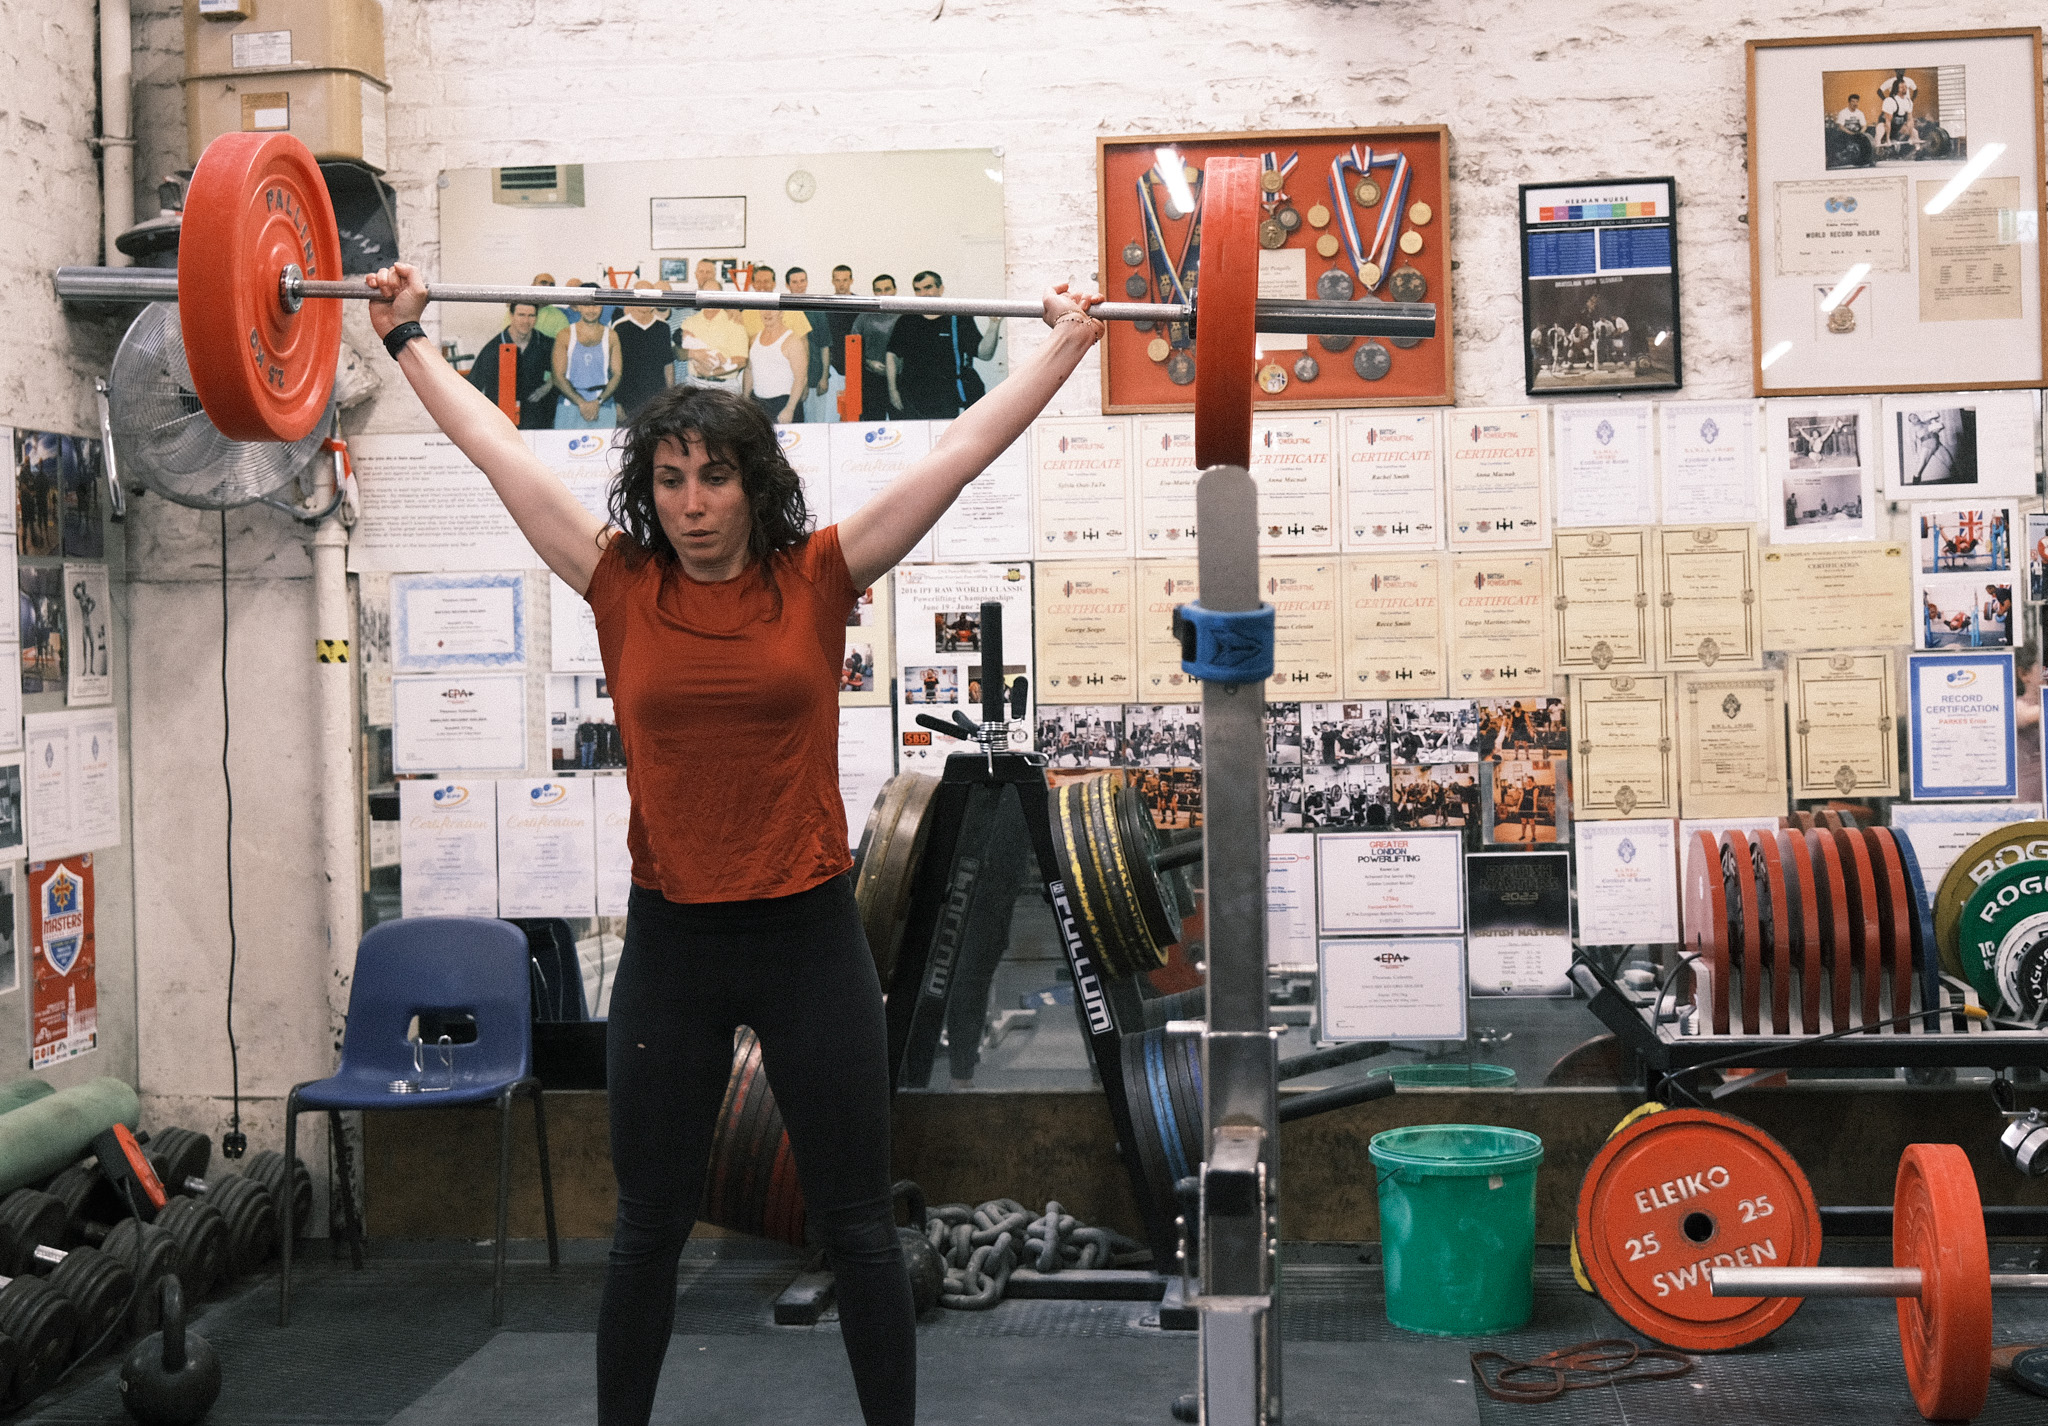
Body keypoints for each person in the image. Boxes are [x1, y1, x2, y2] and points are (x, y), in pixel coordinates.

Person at [361, 258, 1105, 1426]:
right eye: (668, 479)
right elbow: (496, 449)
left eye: (713, 476)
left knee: (857, 1224)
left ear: (754, 485)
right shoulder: (617, 584)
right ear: (646, 491)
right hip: (674, 942)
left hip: (809, 933)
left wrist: (1063, 345)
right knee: (647, 1232)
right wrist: (407, 342)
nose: (692, 501)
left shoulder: (816, 578)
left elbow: (959, 452)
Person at [885, 271, 1002, 419]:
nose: (923, 294)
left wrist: (994, 325)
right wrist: (893, 391)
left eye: (928, 287)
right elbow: (891, 355)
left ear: (941, 289)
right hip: (914, 397)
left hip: (951, 397)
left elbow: (984, 354)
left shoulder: (958, 318)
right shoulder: (907, 320)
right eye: (918, 289)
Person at [466, 300, 559, 429]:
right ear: (511, 316)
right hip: (502, 423)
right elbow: (472, 387)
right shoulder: (492, 349)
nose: (526, 321)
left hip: (538, 422)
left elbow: (565, 370)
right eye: (521, 315)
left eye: (531, 316)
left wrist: (549, 384)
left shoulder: (546, 344)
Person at [551, 283, 623, 429]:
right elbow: (557, 376)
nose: (591, 310)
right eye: (586, 304)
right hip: (570, 405)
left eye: (595, 305)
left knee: (605, 452)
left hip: (603, 405)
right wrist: (582, 403)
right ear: (579, 306)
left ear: (602, 305)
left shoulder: (611, 336)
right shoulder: (564, 335)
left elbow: (617, 374)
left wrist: (598, 401)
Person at [611, 282, 675, 422]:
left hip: (657, 401)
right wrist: (617, 403)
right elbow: (614, 369)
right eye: (641, 295)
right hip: (628, 401)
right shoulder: (619, 327)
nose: (645, 299)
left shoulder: (663, 327)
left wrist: (670, 401)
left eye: (649, 295)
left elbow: (668, 367)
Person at [852, 275, 900, 422]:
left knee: (902, 426)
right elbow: (853, 346)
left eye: (887, 289)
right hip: (873, 380)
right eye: (878, 290)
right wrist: (867, 362)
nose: (883, 293)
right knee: (871, 425)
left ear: (895, 290)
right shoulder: (865, 316)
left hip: (900, 380)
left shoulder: (905, 315)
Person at [745, 308, 806, 424]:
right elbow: (749, 370)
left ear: (781, 313)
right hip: (758, 404)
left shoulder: (793, 341)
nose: (767, 313)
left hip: (784, 405)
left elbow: (801, 379)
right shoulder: (754, 339)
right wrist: (745, 399)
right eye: (764, 309)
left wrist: (790, 409)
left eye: (773, 310)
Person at [814, 264, 859, 421]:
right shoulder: (826, 306)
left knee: (855, 415)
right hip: (833, 370)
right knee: (832, 415)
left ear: (851, 280)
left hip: (857, 369)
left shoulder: (861, 304)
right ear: (832, 281)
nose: (841, 284)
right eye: (838, 280)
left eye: (845, 280)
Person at [531, 272, 572, 340]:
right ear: (532, 286)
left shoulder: (559, 317)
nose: (548, 287)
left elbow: (564, 346)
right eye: (543, 283)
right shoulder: (517, 311)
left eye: (551, 285)